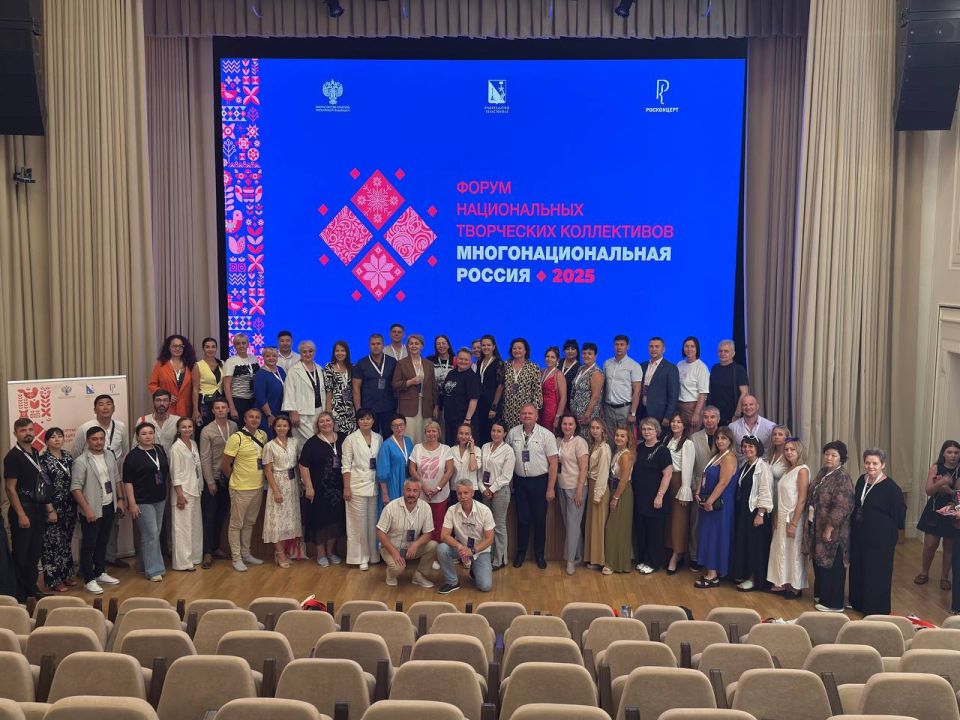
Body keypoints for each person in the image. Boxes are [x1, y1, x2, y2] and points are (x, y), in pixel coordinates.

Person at [4, 418, 57, 600]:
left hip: (38, 509)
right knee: (21, 554)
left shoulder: (35, 452)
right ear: (15, 434)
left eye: (29, 429)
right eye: (22, 430)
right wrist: (21, 514)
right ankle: (19, 593)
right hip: (23, 509)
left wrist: (49, 508)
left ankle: (32, 589)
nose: (27, 433)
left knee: (34, 553)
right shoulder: (12, 457)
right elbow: (10, 488)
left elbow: (41, 484)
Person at [849, 448, 905, 616]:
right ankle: (858, 602)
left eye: (875, 463)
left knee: (876, 572)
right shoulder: (862, 480)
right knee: (859, 567)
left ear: (883, 465)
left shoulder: (891, 488)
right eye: (867, 463)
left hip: (881, 538)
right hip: (861, 534)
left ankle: (875, 608)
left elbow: (899, 514)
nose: (871, 466)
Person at [804, 440, 855, 613]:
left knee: (832, 564)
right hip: (817, 523)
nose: (829, 458)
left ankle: (834, 603)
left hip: (834, 529)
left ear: (841, 458)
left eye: (834, 455)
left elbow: (842, 506)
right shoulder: (824, 472)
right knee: (819, 561)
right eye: (827, 454)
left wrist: (830, 527)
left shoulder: (842, 478)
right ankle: (822, 595)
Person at [70, 426, 122, 594]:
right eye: (94, 439)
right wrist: (87, 509)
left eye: (101, 438)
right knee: (89, 544)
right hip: (92, 509)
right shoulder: (81, 461)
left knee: (102, 542)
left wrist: (120, 500)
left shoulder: (109, 455)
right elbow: (75, 488)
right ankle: (89, 579)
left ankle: (100, 572)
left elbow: (116, 478)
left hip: (109, 506)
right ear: (88, 441)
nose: (98, 442)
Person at [507, 403, 558, 569]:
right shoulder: (513, 433)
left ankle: (539, 554)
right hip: (520, 482)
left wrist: (550, 488)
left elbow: (553, 463)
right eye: (524, 413)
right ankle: (521, 553)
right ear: (520, 416)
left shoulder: (547, 435)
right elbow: (508, 459)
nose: (527, 416)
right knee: (522, 519)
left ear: (536, 416)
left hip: (540, 482)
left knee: (539, 520)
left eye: (530, 413)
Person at [220, 408, 267, 572]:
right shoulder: (236, 438)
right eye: (251, 417)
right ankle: (236, 558)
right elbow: (225, 465)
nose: (254, 420)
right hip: (240, 488)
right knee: (236, 524)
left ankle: (246, 553)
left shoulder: (262, 435)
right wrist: (235, 478)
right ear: (245, 419)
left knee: (249, 522)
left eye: (257, 417)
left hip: (258, 486)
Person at [123, 422, 169, 582]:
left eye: (150, 433)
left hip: (160, 498)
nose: (148, 436)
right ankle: (154, 570)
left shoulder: (160, 449)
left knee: (153, 534)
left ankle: (143, 564)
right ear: (137, 437)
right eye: (143, 434)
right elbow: (128, 482)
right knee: (151, 534)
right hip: (142, 501)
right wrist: (132, 503)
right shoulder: (132, 456)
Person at [299, 412, 346, 567]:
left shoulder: (343, 438)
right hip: (319, 490)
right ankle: (320, 554)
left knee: (335, 521)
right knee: (319, 521)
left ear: (333, 422)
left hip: (338, 489)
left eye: (328, 420)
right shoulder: (312, 443)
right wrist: (309, 487)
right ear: (317, 425)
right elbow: (303, 466)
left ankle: (331, 552)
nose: (325, 423)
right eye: (321, 422)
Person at [693, 426, 738, 587]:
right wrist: (698, 492)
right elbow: (704, 475)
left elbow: (723, 483)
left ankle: (713, 575)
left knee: (715, 537)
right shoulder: (716, 456)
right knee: (707, 535)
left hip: (720, 504)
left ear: (730, 441)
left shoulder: (729, 457)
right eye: (718, 438)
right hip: (708, 502)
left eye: (723, 438)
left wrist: (710, 501)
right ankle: (711, 570)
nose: (719, 441)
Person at [767, 437, 809, 598]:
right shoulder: (788, 469)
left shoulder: (802, 470)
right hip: (782, 514)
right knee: (782, 551)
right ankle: (784, 582)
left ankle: (796, 586)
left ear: (799, 451)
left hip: (793, 516)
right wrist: (777, 515)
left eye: (792, 449)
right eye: (786, 449)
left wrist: (794, 523)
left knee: (794, 552)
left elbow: (802, 499)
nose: (789, 452)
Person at [437, 478, 497, 594]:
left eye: (466, 493)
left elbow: (490, 539)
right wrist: (460, 546)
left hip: (480, 550)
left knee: (485, 586)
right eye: (459, 493)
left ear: (472, 493)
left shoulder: (485, 511)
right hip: (460, 548)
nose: (463, 496)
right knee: (442, 548)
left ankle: (474, 569)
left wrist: (472, 551)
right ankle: (452, 582)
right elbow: (444, 535)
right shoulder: (451, 510)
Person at [730, 436, 774, 592]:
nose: (747, 449)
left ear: (757, 449)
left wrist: (760, 514)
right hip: (744, 512)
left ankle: (755, 579)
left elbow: (765, 491)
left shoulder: (763, 467)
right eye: (744, 446)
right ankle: (745, 574)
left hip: (756, 513)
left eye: (751, 447)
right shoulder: (746, 465)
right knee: (746, 544)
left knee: (756, 547)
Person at [632, 417, 674, 574]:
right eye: (644, 429)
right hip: (640, 497)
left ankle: (653, 562)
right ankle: (643, 559)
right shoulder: (640, 447)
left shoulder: (662, 450)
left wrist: (660, 495)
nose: (646, 432)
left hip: (655, 498)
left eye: (650, 429)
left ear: (657, 431)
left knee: (654, 531)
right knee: (641, 529)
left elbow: (667, 475)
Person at [376, 478, 437, 587]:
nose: (411, 494)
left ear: (420, 492)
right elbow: (380, 532)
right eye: (408, 490)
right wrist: (394, 552)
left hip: (411, 549)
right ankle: (391, 574)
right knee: (398, 567)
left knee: (434, 546)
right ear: (403, 490)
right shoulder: (391, 507)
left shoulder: (426, 507)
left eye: (415, 491)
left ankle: (419, 576)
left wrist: (416, 545)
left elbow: (428, 533)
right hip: (391, 548)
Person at [915, 440, 960, 589]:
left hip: (953, 509)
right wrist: (941, 483)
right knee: (930, 544)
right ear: (944, 454)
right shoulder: (936, 467)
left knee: (949, 546)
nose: (953, 455)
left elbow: (958, 493)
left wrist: (949, 491)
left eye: (956, 452)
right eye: (949, 452)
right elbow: (928, 491)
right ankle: (924, 572)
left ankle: (945, 578)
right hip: (934, 509)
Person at [342, 409, 382, 571]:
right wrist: (346, 487)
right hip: (356, 486)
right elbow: (346, 466)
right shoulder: (350, 439)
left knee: (373, 523)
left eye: (368, 418)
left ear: (373, 421)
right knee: (358, 524)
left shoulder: (378, 437)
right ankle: (360, 557)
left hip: (374, 485)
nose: (365, 421)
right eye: (362, 419)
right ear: (357, 421)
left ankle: (373, 554)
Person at [262, 415, 304, 568]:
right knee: (278, 521)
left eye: (285, 425)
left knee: (289, 519)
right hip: (278, 482)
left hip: (292, 483)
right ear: (274, 428)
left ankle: (285, 551)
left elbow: (297, 465)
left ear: (289, 427)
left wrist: (300, 484)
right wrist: (276, 491)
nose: (282, 428)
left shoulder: (294, 442)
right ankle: (279, 553)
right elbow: (267, 470)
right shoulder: (269, 446)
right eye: (278, 425)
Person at [198, 398, 235, 568]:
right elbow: (204, 457)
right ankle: (207, 552)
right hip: (213, 477)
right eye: (217, 408)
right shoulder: (207, 430)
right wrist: (210, 481)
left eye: (223, 407)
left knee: (222, 514)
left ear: (228, 409)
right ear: (212, 411)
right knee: (210, 516)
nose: (220, 410)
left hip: (228, 477)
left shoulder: (233, 427)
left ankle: (216, 547)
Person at [39, 428, 77, 592]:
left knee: (65, 542)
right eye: (53, 437)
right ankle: (54, 579)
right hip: (52, 507)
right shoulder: (43, 460)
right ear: (46, 441)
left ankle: (66, 574)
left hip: (69, 506)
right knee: (51, 544)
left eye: (60, 436)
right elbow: (42, 487)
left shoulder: (68, 457)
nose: (57, 439)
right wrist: (49, 510)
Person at [688, 406, 721, 572]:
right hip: (699, 488)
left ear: (718, 419)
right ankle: (695, 557)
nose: (709, 420)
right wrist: (694, 488)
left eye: (712, 417)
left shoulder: (724, 436)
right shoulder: (694, 437)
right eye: (706, 417)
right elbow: (691, 465)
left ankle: (714, 559)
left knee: (715, 526)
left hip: (719, 487)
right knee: (696, 524)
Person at [410, 421, 454, 542]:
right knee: (419, 524)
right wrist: (423, 487)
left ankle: (435, 551)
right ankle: (421, 550)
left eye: (434, 431)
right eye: (428, 431)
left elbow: (450, 470)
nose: (431, 433)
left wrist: (437, 489)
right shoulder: (417, 448)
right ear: (425, 433)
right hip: (421, 494)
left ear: (439, 433)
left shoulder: (446, 449)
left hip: (440, 495)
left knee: (438, 525)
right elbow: (412, 469)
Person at [480, 420, 515, 570]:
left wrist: (492, 489)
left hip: (500, 492)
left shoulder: (508, 451)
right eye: (493, 430)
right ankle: (488, 556)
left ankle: (499, 560)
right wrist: (483, 488)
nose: (495, 434)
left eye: (499, 431)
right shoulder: (484, 447)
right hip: (485, 491)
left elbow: (506, 476)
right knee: (487, 526)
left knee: (499, 526)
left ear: (504, 433)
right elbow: (480, 471)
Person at [556, 414, 589, 575]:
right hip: (561, 486)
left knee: (573, 524)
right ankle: (578, 556)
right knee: (570, 525)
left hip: (576, 488)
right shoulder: (558, 441)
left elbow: (584, 468)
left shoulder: (580, 442)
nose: (567, 427)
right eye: (565, 423)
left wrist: (579, 491)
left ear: (576, 426)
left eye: (570, 424)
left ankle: (570, 561)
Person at [169, 417, 202, 572]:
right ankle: (182, 563)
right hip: (183, 492)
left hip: (195, 489)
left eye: (189, 426)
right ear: (178, 429)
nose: (187, 429)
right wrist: (180, 495)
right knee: (182, 528)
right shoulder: (176, 448)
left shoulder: (193, 444)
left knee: (194, 527)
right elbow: (175, 474)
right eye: (184, 427)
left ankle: (194, 557)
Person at [393, 334, 438, 444]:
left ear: (422, 346)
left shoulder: (429, 364)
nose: (414, 346)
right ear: (407, 346)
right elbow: (395, 384)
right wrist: (409, 382)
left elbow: (433, 386)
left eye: (417, 343)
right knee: (410, 436)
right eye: (411, 343)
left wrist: (436, 406)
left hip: (426, 406)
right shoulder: (401, 363)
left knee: (425, 436)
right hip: (408, 406)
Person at [665, 413, 695, 574]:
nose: (675, 424)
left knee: (679, 521)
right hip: (667, 481)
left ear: (684, 425)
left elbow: (688, 467)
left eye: (679, 422)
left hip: (679, 481)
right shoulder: (668, 440)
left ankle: (677, 554)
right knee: (669, 519)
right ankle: (670, 549)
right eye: (673, 421)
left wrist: (685, 489)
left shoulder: (687, 443)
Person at [602, 426, 635, 575]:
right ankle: (612, 561)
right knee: (615, 527)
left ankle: (615, 563)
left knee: (615, 528)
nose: (619, 438)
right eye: (617, 435)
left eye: (622, 436)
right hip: (614, 489)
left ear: (628, 439)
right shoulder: (617, 452)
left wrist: (615, 498)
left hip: (622, 493)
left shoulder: (626, 455)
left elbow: (624, 479)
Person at [352, 334, 399, 435]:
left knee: (389, 436)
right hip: (369, 408)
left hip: (389, 407)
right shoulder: (361, 363)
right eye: (373, 344)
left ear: (383, 345)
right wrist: (358, 408)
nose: (376, 346)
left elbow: (396, 384)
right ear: (369, 345)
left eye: (378, 343)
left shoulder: (392, 362)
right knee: (371, 437)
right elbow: (356, 387)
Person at [283, 340, 326, 445]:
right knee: (307, 442)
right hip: (302, 413)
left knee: (318, 438)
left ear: (314, 352)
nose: (308, 354)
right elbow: (289, 391)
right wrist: (293, 411)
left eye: (310, 351)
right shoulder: (294, 370)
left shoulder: (320, 369)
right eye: (304, 352)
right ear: (300, 353)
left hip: (319, 410)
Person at [603, 335, 642, 445]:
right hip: (608, 408)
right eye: (616, 344)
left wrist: (633, 413)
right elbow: (604, 386)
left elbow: (637, 391)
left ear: (627, 346)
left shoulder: (634, 365)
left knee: (626, 439)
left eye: (622, 345)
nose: (619, 347)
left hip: (625, 408)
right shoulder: (607, 363)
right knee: (610, 438)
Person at [584, 420, 611, 569]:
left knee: (598, 524)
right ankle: (592, 557)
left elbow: (603, 473)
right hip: (591, 484)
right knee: (592, 523)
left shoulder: (604, 448)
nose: (594, 430)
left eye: (597, 428)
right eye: (592, 428)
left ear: (603, 430)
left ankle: (599, 560)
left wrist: (598, 494)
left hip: (599, 487)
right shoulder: (594, 445)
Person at [149, 335, 196, 419]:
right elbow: (152, 386)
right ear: (169, 348)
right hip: (166, 408)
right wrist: (166, 395)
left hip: (186, 409)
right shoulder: (160, 365)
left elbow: (196, 387)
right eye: (174, 346)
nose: (177, 348)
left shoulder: (191, 365)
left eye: (180, 346)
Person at [73, 394, 129, 464]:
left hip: (115, 468)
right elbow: (76, 453)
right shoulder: (85, 428)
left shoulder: (121, 426)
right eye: (101, 405)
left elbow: (125, 451)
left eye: (108, 404)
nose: (105, 408)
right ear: (95, 410)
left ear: (114, 408)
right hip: (91, 468)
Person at [638, 337, 680, 431]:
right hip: (642, 411)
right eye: (651, 346)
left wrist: (668, 416)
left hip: (660, 415)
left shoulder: (671, 368)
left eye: (657, 347)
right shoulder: (642, 366)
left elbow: (673, 395)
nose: (654, 349)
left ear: (663, 349)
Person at [439, 349, 480, 442]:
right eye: (461, 359)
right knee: (450, 443)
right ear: (456, 359)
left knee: (461, 444)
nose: (463, 362)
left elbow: (473, 400)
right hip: (449, 417)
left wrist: (467, 419)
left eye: (466, 360)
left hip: (463, 419)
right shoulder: (451, 373)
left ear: (470, 362)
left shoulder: (472, 377)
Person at [501, 339, 542, 430]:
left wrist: (534, 411)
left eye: (520, 348)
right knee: (509, 434)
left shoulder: (533, 367)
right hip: (507, 409)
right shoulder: (505, 365)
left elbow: (537, 391)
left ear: (525, 350)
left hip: (525, 410)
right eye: (514, 348)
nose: (517, 350)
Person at [377, 414, 415, 511]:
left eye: (401, 425)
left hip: (407, 482)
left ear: (405, 425)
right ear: (391, 428)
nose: (399, 428)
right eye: (395, 426)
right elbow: (382, 472)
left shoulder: (408, 441)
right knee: (394, 512)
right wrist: (385, 494)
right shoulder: (386, 445)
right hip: (393, 483)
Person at [708, 340, 750, 425]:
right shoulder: (714, 368)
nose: (723, 353)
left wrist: (737, 414)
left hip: (732, 417)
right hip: (715, 417)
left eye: (726, 351)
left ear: (733, 354)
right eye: (720, 351)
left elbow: (744, 393)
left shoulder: (739, 370)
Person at [223, 333, 260, 423]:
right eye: (238, 344)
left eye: (243, 343)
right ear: (234, 346)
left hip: (253, 399)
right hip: (238, 400)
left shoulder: (254, 358)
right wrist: (232, 407)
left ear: (248, 344)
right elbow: (226, 386)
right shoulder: (231, 361)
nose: (241, 346)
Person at [570, 342, 604, 439]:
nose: (586, 356)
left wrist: (587, 414)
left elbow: (595, 396)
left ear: (595, 356)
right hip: (576, 413)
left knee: (587, 439)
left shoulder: (596, 372)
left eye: (589, 354)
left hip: (587, 415)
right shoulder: (581, 369)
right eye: (584, 353)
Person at [475, 335, 504, 445]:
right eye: (483, 345)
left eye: (489, 345)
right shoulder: (479, 362)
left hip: (492, 404)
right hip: (480, 403)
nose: (486, 347)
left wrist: (494, 406)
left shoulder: (498, 362)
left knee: (491, 432)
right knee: (481, 431)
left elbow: (500, 385)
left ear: (494, 347)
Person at [324, 341, 357, 435]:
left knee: (351, 435)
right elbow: (328, 390)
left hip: (350, 407)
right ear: (334, 352)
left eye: (342, 350)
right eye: (337, 351)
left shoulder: (352, 367)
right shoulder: (329, 367)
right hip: (336, 407)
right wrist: (328, 411)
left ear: (347, 352)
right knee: (337, 434)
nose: (340, 353)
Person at [729, 396, 776, 461]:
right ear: (741, 408)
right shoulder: (732, 427)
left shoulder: (770, 426)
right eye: (745, 405)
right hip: (741, 466)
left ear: (757, 406)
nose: (748, 407)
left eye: (751, 404)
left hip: (764, 465)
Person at [677, 336, 710, 430]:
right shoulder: (680, 364)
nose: (689, 349)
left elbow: (703, 393)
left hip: (693, 407)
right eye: (686, 346)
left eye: (692, 346)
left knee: (692, 436)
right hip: (680, 406)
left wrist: (696, 414)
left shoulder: (701, 367)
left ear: (697, 349)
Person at [254, 347, 286, 436]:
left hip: (281, 411)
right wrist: (269, 415)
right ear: (263, 357)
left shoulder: (281, 370)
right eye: (268, 356)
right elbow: (261, 397)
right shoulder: (260, 374)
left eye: (274, 356)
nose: (271, 358)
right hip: (267, 414)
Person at [192, 337, 223, 428]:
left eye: (213, 347)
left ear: (216, 348)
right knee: (204, 427)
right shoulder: (198, 365)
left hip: (219, 400)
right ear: (203, 349)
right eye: (207, 347)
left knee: (218, 426)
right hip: (204, 402)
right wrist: (195, 410)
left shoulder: (222, 363)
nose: (210, 349)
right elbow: (195, 389)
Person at [539, 347, 567, 432]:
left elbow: (563, 397)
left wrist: (558, 416)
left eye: (552, 357)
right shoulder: (541, 372)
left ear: (557, 360)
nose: (549, 359)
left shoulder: (559, 374)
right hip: (540, 410)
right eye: (547, 356)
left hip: (552, 411)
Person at [449, 423, 480, 499]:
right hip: (455, 488)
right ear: (457, 435)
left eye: (466, 434)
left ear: (471, 436)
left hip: (471, 489)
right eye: (461, 433)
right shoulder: (451, 450)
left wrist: (472, 449)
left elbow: (472, 467)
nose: (463, 436)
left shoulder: (477, 450)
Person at [766, 425, 792, 490]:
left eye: (780, 434)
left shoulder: (789, 456)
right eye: (774, 434)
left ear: (787, 438)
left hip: (782, 493)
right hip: (769, 493)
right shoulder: (770, 454)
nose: (776, 437)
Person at [560, 340, 581, 413]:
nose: (570, 351)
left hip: (570, 403)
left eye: (573, 349)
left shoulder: (579, 368)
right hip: (555, 400)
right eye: (567, 349)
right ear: (564, 351)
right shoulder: (558, 362)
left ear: (577, 351)